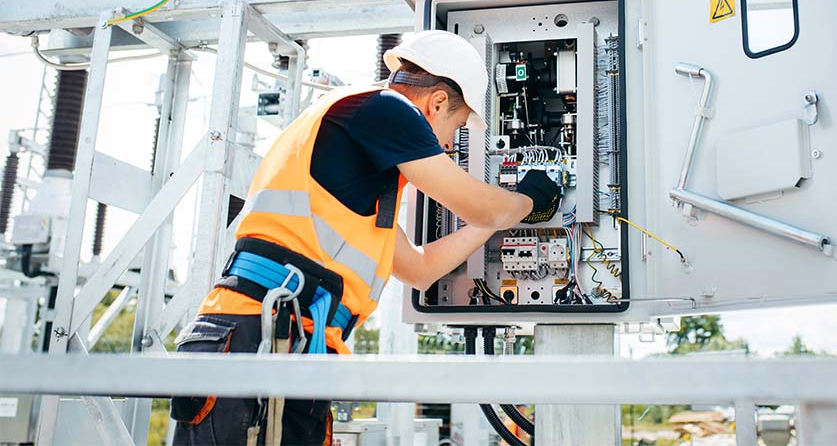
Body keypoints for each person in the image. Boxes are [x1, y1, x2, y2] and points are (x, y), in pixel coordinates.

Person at [171, 30, 561, 446]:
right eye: (457, 128)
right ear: (438, 102)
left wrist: (496, 220)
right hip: (261, 333)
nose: (449, 146)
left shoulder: (363, 173)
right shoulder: (385, 108)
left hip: (284, 337)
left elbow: (420, 270)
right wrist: (526, 200)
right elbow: (484, 207)